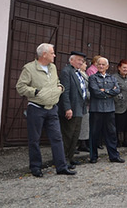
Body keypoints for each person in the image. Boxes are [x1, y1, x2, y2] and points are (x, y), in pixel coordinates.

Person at [16, 43, 75, 177]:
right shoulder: (29, 68)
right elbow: (20, 87)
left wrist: (60, 87)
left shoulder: (52, 67)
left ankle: (61, 167)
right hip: (36, 109)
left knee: (57, 138)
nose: (54, 55)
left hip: (52, 108)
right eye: (52, 53)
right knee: (34, 139)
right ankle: (36, 167)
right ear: (44, 54)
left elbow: (57, 82)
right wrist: (36, 92)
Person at [88, 57, 125, 163]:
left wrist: (104, 91)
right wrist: (109, 92)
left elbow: (117, 90)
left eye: (103, 65)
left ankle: (114, 156)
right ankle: (93, 156)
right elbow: (96, 92)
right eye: (99, 64)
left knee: (111, 134)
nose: (101, 66)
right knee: (94, 134)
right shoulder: (93, 78)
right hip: (96, 110)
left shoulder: (112, 78)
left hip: (109, 110)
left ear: (107, 66)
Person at [58, 51, 88, 169]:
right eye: (78, 60)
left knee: (75, 135)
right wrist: (67, 108)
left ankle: (70, 157)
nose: (81, 62)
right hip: (71, 109)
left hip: (79, 108)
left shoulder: (77, 72)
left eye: (82, 61)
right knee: (68, 135)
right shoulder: (66, 71)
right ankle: (64, 160)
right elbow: (65, 91)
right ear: (71, 60)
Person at [77, 60, 90, 153]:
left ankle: (83, 143)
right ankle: (79, 144)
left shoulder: (85, 74)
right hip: (80, 102)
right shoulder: (78, 74)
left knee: (84, 124)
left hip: (86, 103)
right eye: (85, 63)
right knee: (79, 124)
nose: (86, 65)